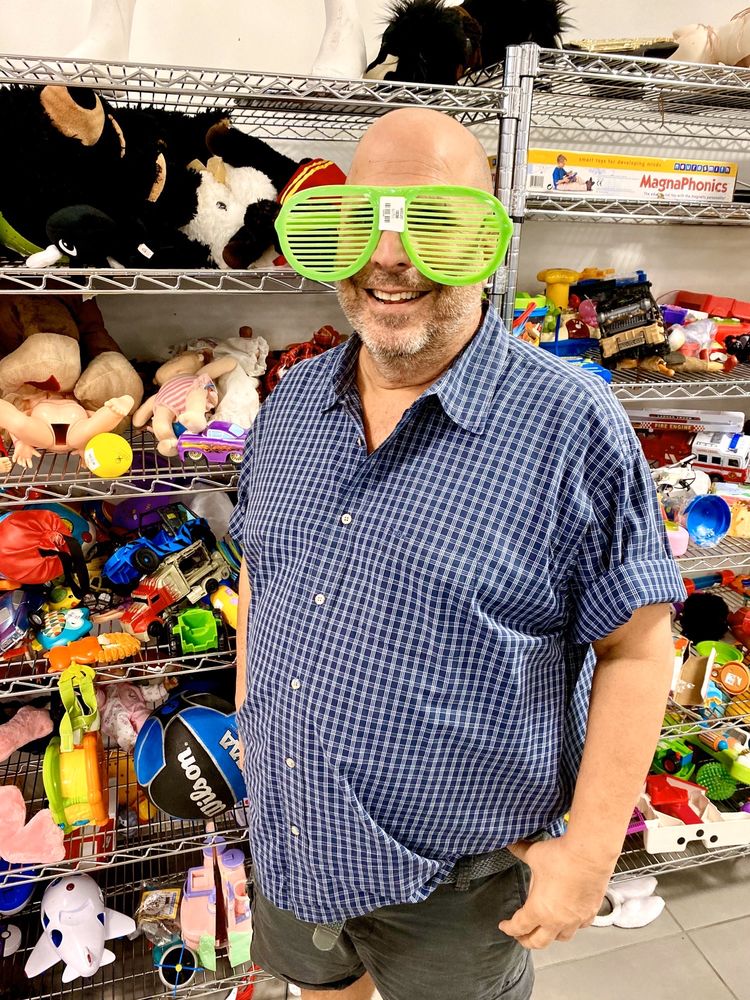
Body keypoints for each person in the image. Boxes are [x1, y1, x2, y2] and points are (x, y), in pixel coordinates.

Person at [229, 107, 685, 1000]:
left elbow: (636, 648)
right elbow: (261, 569)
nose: (389, 258)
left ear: (487, 241)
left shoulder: (570, 425)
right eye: (363, 222)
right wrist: (252, 719)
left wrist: (591, 853)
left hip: (457, 881)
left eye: (431, 222)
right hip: (291, 827)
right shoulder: (291, 404)